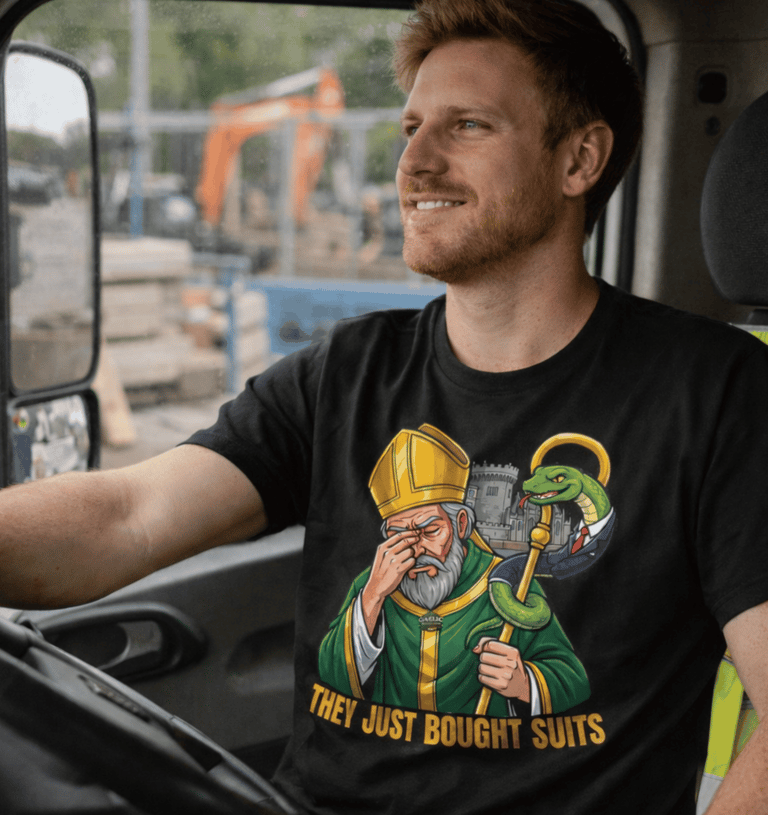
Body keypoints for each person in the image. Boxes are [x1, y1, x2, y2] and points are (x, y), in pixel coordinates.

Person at [2, 1, 768, 813]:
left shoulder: (716, 394)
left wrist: (532, 681)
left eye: (467, 125)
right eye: (411, 128)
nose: (415, 164)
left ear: (580, 159)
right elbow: (129, 514)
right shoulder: (348, 371)